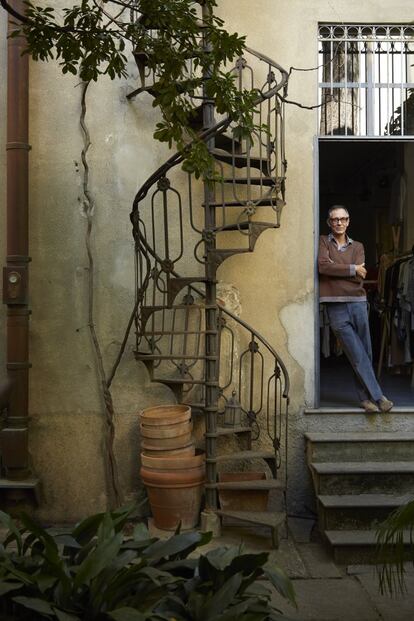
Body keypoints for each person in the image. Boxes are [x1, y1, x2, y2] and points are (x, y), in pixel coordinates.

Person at [318, 205, 393, 413]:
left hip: (358, 303)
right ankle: (379, 397)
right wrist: (351, 269)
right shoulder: (323, 241)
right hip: (335, 306)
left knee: (365, 353)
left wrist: (339, 271)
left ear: (348, 221)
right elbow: (323, 267)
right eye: (335, 219)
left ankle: (365, 399)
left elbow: (360, 276)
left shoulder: (358, 246)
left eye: (343, 219)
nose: (339, 223)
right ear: (329, 223)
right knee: (355, 352)